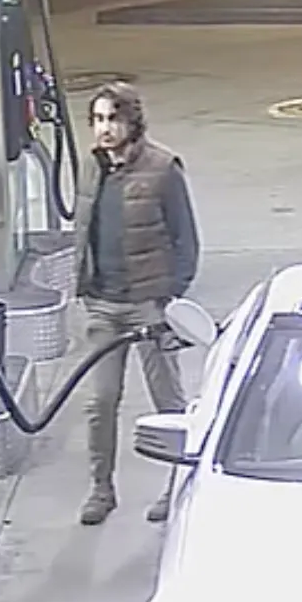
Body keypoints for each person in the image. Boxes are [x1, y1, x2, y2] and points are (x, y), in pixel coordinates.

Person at [75, 81, 200, 526]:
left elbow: (186, 239)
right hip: (104, 303)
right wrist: (85, 285)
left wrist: (171, 300)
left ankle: (179, 486)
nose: (105, 129)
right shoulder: (91, 169)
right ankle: (101, 489)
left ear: (132, 121)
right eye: (98, 119)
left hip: (150, 304)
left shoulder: (164, 169)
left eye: (113, 118)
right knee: (101, 401)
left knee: (168, 402)